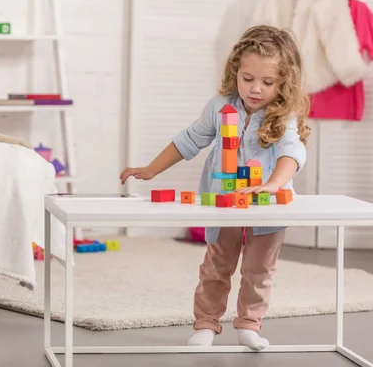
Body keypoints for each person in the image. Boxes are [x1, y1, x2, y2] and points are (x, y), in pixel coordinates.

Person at [119, 25, 310, 350]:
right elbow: (190, 139)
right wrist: (150, 170)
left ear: (284, 82)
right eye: (247, 78)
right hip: (224, 201)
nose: (255, 89)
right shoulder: (221, 105)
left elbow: (291, 151)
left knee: (258, 269)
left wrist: (273, 185)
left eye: (267, 82)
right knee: (216, 266)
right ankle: (206, 323)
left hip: (268, 203)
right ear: (235, 71)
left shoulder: (283, 114)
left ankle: (249, 324)